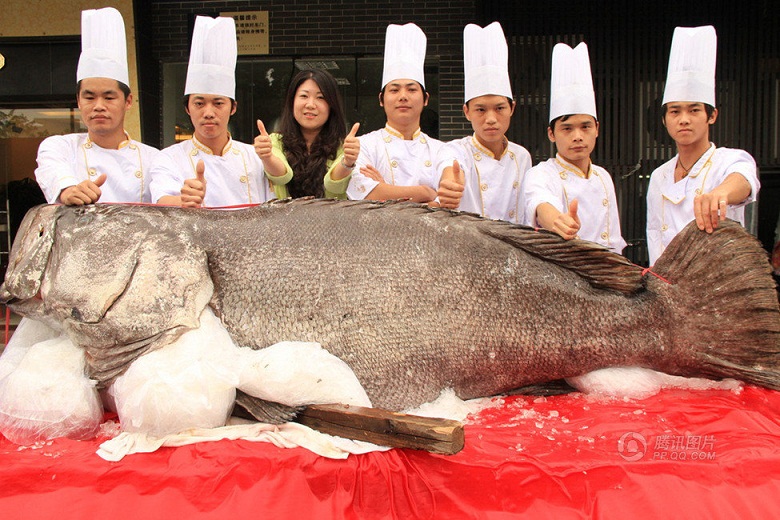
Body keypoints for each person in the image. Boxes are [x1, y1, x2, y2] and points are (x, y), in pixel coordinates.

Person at [646, 25, 758, 265]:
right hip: (668, 289)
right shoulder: (658, 177)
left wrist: (721, 193)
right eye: (675, 111)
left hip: (717, 288)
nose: (684, 119)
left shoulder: (728, 160)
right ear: (665, 119)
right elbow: (655, 238)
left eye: (694, 110)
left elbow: (744, 179)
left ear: (712, 115)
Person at [35, 7, 159, 205]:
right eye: (90, 97)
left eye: (109, 98)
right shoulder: (60, 147)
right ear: (78, 101)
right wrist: (69, 191)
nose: (99, 106)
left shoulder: (153, 158)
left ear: (128, 101)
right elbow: (53, 172)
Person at [149, 16, 271, 208]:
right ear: (187, 108)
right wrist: (183, 200)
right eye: (199, 103)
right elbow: (161, 199)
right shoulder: (169, 157)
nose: (208, 112)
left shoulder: (255, 157)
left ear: (233, 108)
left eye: (218, 103)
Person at [523, 42, 626, 253]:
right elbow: (540, 203)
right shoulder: (541, 174)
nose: (577, 137)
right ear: (551, 134)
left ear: (597, 128)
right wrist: (558, 222)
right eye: (567, 129)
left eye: (585, 127)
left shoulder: (603, 176)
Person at [437, 22, 532, 223]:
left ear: (512, 108)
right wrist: (450, 185)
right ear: (466, 112)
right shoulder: (455, 150)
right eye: (480, 109)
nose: (491, 119)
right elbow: (450, 170)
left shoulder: (522, 156)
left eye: (499, 108)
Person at [347, 23, 443, 203]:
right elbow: (363, 194)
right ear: (381, 99)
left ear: (426, 98)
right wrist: (425, 192)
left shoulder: (441, 151)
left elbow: (448, 202)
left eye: (412, 90)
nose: (403, 97)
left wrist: (387, 191)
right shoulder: (364, 145)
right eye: (394, 90)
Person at [254, 69, 359, 199]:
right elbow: (282, 176)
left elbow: (334, 186)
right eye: (304, 96)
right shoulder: (275, 141)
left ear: (331, 105)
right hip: (285, 218)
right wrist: (267, 157)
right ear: (292, 101)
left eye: (320, 97)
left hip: (332, 218)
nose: (310, 105)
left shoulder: (345, 145)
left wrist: (348, 162)